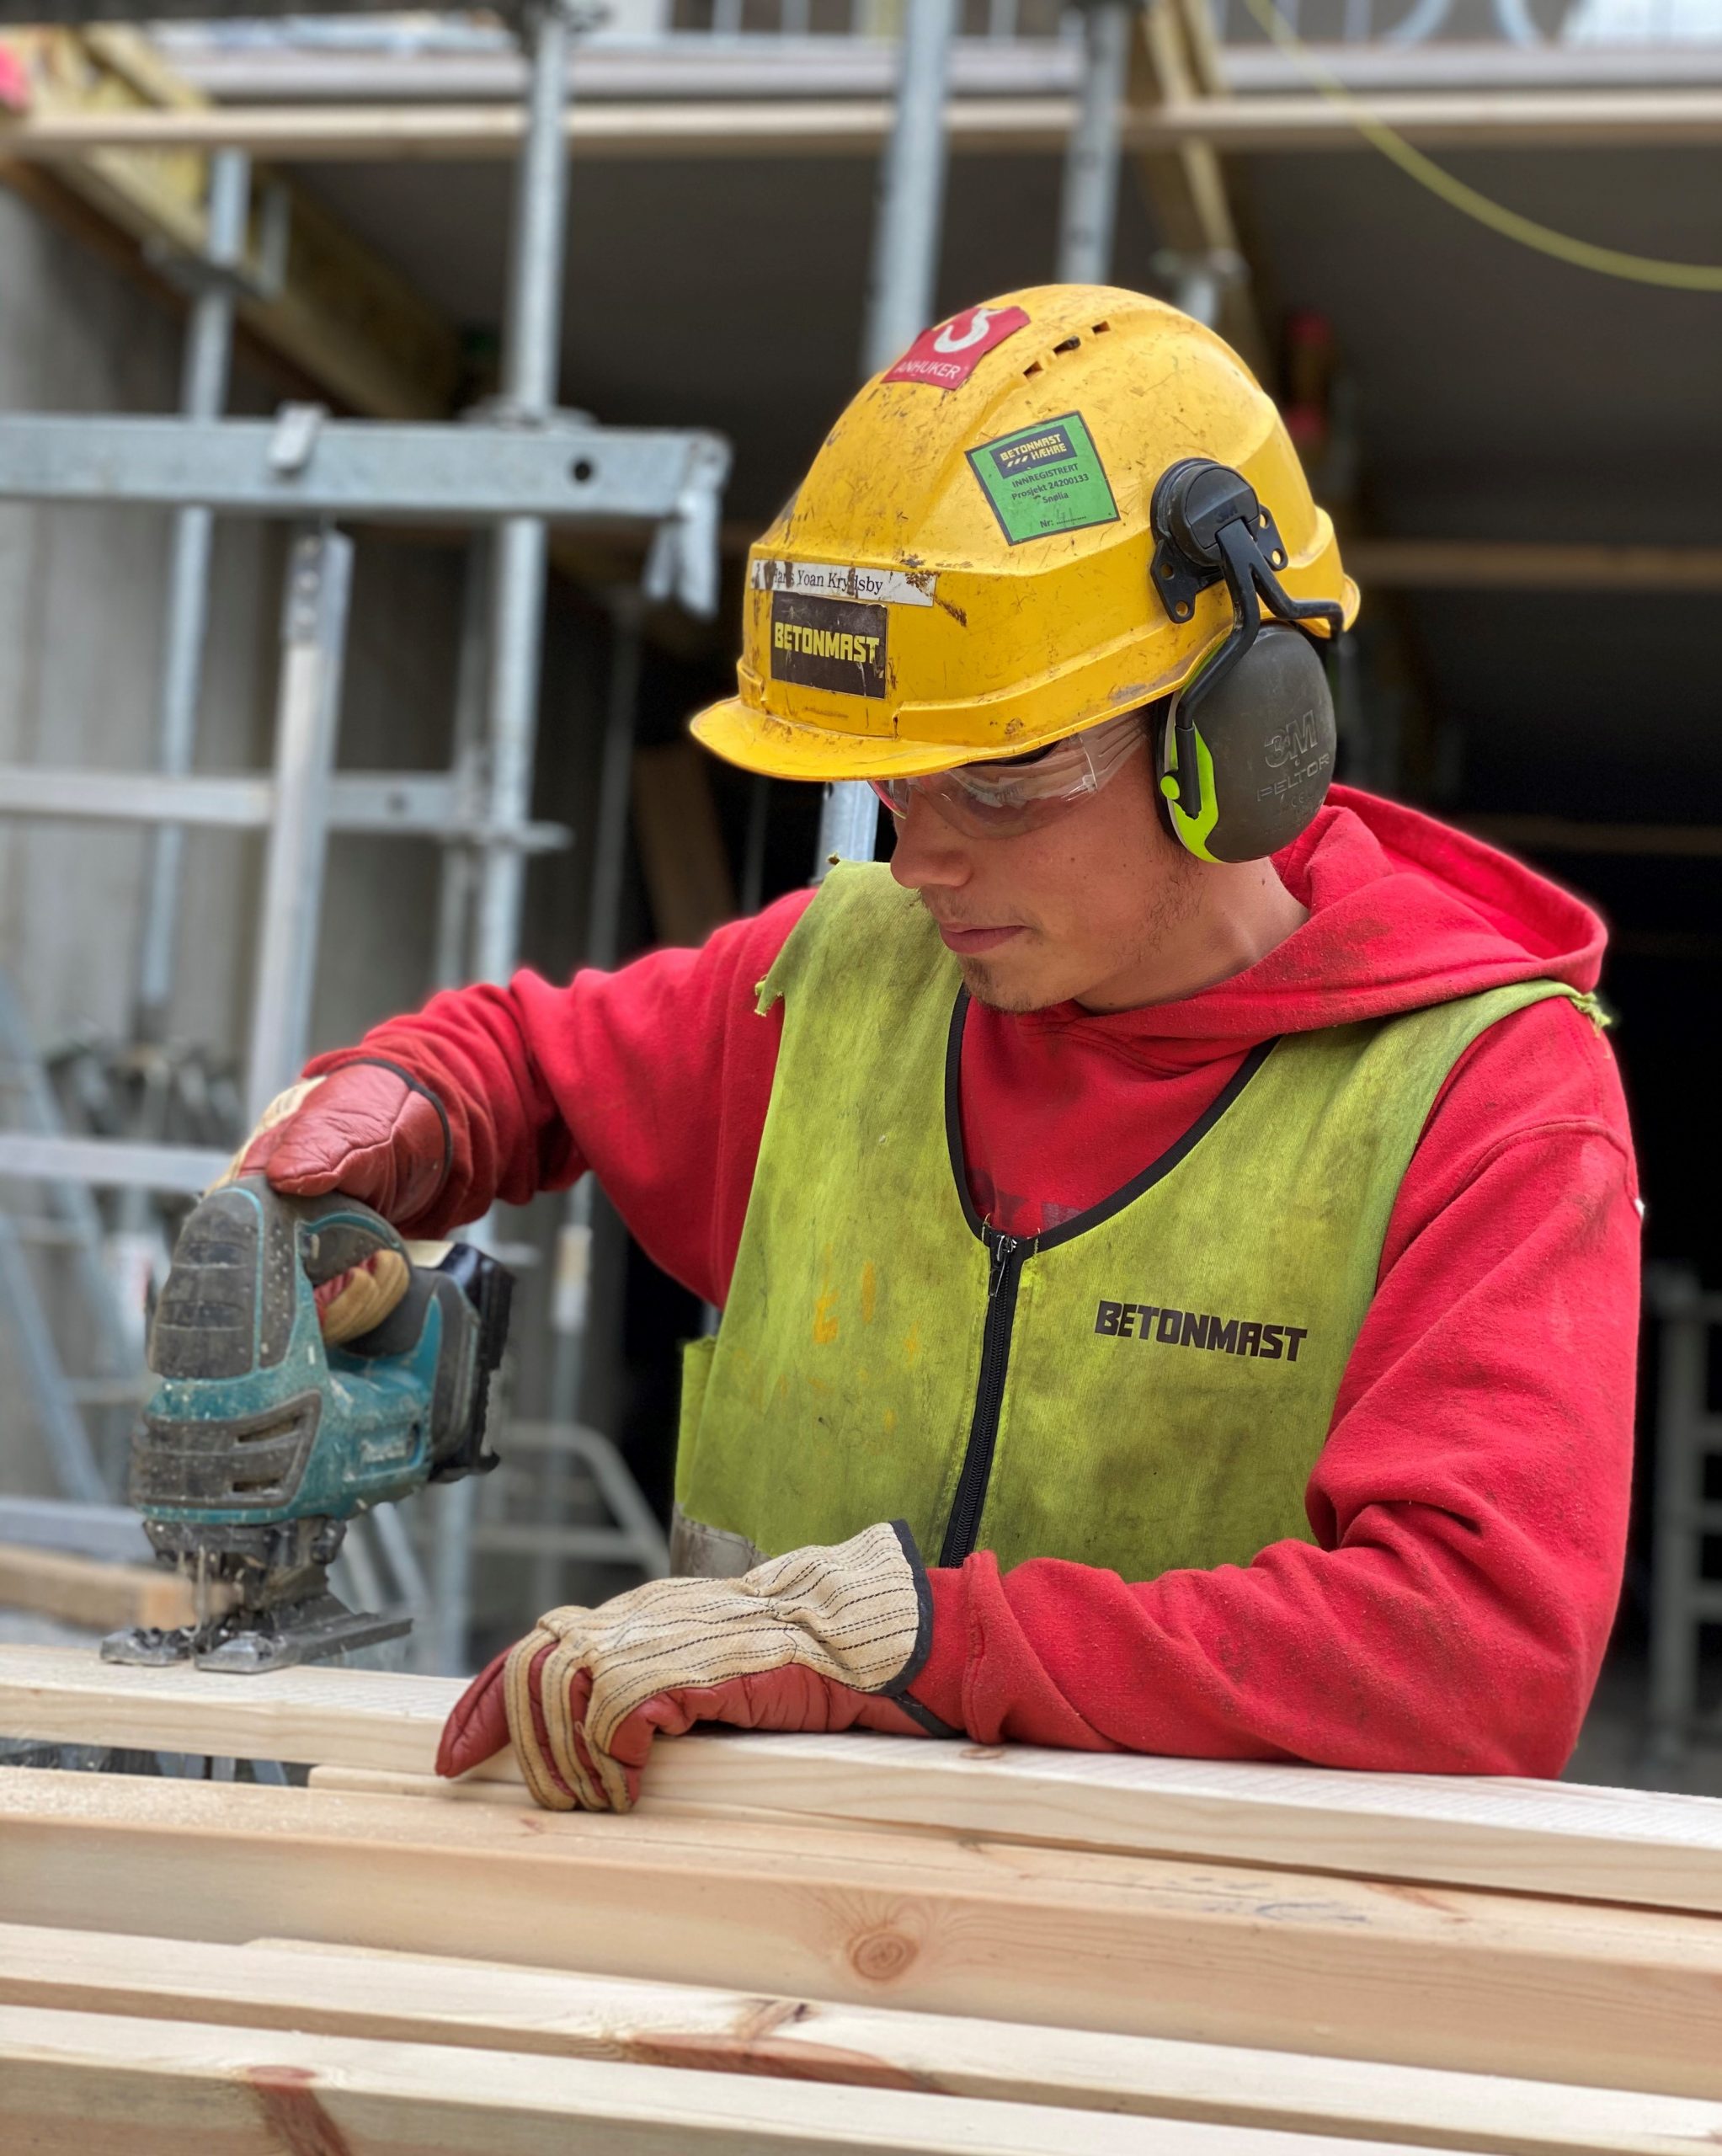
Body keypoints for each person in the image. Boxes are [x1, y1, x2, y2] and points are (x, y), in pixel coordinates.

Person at [236, 286, 1638, 1810]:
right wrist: (399, 1107)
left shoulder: (1483, 1100)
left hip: (1190, 1999)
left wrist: (899, 1644)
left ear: (1239, 733)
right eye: (896, 786)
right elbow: (524, 1056)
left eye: (1000, 779)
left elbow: (1470, 1658)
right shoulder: (842, 985)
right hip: (738, 1972)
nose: (922, 863)